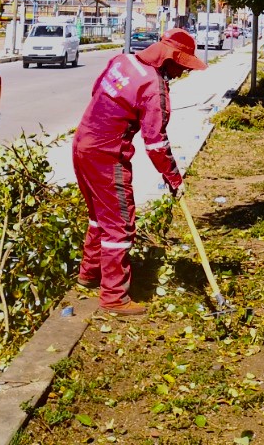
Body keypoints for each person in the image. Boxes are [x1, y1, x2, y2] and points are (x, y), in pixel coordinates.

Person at [72, 28, 206, 315]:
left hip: (82, 142)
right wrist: (174, 179)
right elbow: (156, 143)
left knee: (99, 216)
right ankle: (114, 297)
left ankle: (89, 274)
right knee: (120, 225)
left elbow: (97, 90)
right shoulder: (154, 89)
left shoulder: (123, 61)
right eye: (182, 66)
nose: (182, 73)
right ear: (169, 59)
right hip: (107, 156)